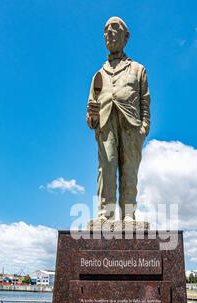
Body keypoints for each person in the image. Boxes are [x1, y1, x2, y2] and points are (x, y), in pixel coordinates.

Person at [87, 16, 151, 222]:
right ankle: (105, 214)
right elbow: (90, 117)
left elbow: (145, 101)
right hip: (106, 125)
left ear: (126, 37)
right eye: (106, 30)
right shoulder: (98, 74)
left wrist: (144, 128)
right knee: (106, 168)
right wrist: (92, 115)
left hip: (131, 125)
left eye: (115, 28)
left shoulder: (138, 69)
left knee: (129, 169)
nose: (110, 33)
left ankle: (129, 215)